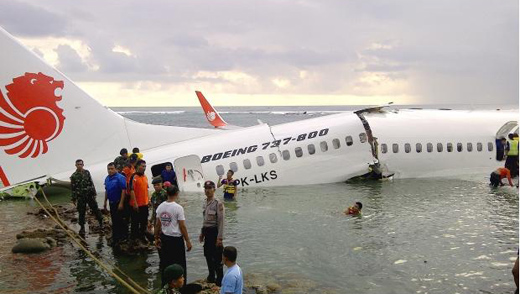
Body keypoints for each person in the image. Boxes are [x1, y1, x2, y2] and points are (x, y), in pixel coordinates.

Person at [155, 185, 192, 286]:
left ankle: (165, 286)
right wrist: (187, 241)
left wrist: (156, 238)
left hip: (165, 238)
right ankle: (181, 287)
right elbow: (182, 226)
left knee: (166, 264)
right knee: (180, 265)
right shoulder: (178, 208)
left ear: (167, 193)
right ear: (176, 194)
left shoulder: (160, 207)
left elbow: (157, 225)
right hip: (176, 240)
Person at [199, 180, 225, 286]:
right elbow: (205, 219)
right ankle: (211, 276)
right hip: (207, 232)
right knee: (207, 255)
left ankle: (220, 279)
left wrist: (220, 238)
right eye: (206, 188)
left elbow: (221, 221)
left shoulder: (218, 203)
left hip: (215, 232)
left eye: (210, 188)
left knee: (217, 257)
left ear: (214, 189)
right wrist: (202, 233)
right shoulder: (205, 202)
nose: (207, 190)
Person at [70, 159, 103, 235]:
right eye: (78, 164)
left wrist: (94, 193)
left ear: (83, 165)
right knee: (81, 212)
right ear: (76, 165)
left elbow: (91, 182)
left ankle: (101, 222)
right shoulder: (74, 176)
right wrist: (73, 199)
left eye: (81, 164)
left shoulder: (87, 172)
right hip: (81, 197)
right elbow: (73, 188)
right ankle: (82, 227)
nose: (79, 166)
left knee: (95, 209)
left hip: (89, 195)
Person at [103, 162, 127, 244]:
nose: (110, 170)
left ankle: (124, 237)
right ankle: (116, 236)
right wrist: (105, 202)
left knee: (121, 220)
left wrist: (121, 203)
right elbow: (106, 190)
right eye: (108, 169)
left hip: (119, 202)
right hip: (111, 202)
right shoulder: (107, 178)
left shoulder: (120, 177)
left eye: (112, 169)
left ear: (116, 169)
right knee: (114, 219)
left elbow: (124, 190)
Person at [129, 159, 150, 241]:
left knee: (144, 221)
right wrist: (135, 203)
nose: (144, 168)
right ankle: (134, 238)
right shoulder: (134, 177)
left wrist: (148, 200)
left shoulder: (145, 177)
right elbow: (131, 190)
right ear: (138, 166)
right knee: (135, 222)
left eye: (145, 166)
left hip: (144, 204)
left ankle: (142, 236)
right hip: (136, 204)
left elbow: (147, 189)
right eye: (142, 166)